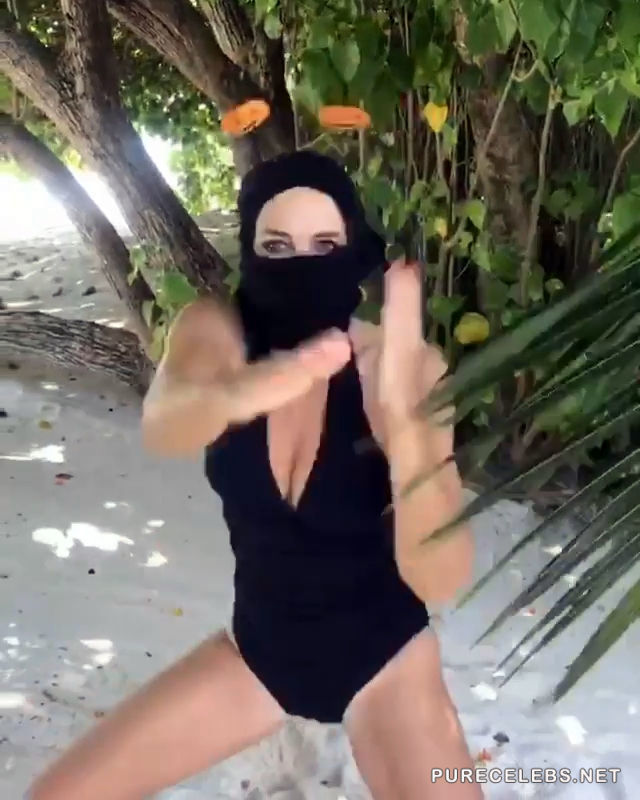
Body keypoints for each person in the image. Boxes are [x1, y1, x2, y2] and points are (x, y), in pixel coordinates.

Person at [29, 150, 481, 800]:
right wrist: (257, 386)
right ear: (250, 249)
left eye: (324, 244)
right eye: (277, 245)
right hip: (261, 653)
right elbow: (166, 425)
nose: (302, 264)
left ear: (353, 249)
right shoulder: (218, 329)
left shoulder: (400, 361)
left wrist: (407, 425)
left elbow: (440, 578)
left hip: (387, 661)